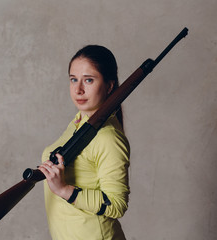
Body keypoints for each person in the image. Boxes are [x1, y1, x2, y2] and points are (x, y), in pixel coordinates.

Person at [38, 45, 130, 240]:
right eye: (73, 79)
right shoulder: (79, 121)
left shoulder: (108, 137)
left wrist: (64, 189)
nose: (78, 89)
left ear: (109, 86)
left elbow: (116, 204)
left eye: (88, 80)